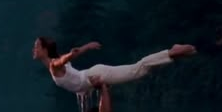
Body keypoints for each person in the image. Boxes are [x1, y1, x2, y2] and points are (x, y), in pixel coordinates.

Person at [33, 37, 197, 95]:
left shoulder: (54, 64)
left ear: (45, 50)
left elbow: (63, 60)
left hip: (97, 75)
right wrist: (86, 47)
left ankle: (171, 52)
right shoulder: (56, 63)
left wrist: (73, 53)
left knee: (138, 69)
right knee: (140, 71)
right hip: (94, 76)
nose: (34, 49)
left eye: (37, 46)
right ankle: (172, 55)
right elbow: (76, 83)